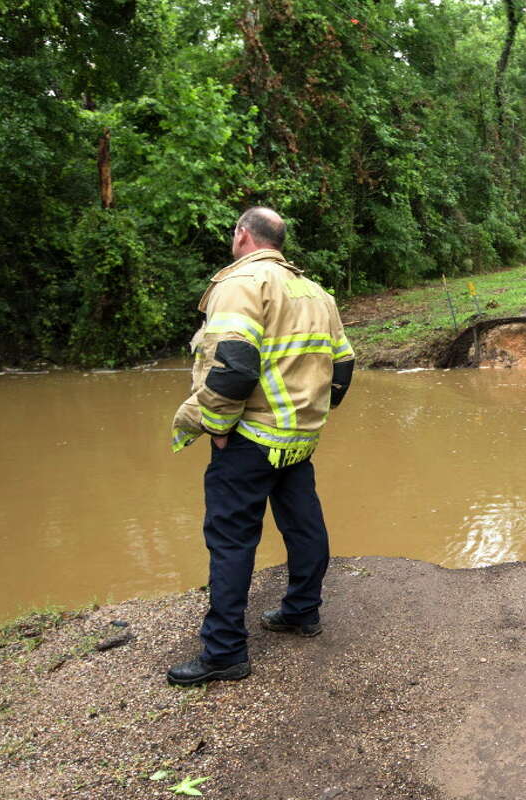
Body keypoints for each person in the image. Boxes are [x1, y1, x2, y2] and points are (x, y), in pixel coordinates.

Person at [166, 207, 355, 687]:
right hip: (297, 438)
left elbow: (234, 365)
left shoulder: (241, 283)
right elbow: (344, 365)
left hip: (250, 437)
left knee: (230, 540)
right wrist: (312, 417)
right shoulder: (315, 292)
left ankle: (225, 652)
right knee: (303, 523)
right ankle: (301, 612)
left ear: (242, 235)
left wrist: (218, 424)